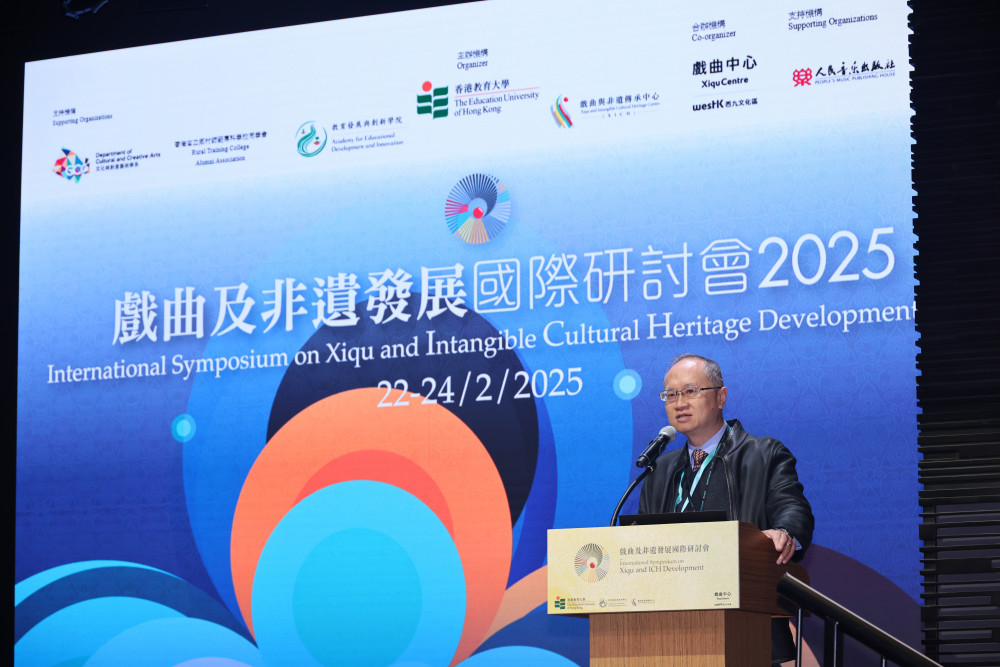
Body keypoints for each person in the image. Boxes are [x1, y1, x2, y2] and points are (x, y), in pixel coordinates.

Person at [638, 353, 814, 665]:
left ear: (721, 397)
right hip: (668, 631)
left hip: (746, 627)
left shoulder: (764, 454)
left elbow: (792, 507)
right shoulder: (659, 470)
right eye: (671, 394)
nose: (679, 403)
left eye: (690, 391)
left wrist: (784, 531)